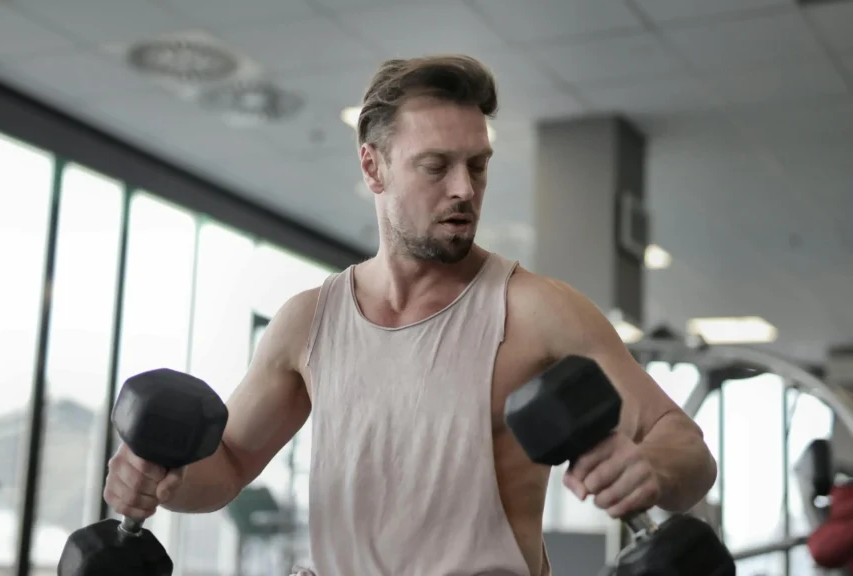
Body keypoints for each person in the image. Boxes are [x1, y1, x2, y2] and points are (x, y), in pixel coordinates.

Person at [103, 54, 718, 575]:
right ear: (373, 166)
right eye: (436, 166)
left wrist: (651, 469)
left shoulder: (536, 310)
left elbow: (687, 450)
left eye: (477, 165)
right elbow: (229, 463)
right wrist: (161, 477)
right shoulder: (308, 323)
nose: (464, 189)